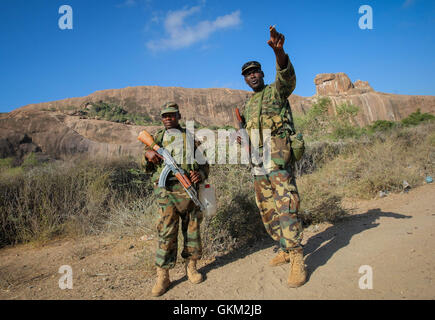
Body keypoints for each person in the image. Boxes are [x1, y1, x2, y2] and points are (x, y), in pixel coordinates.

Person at [237, 26, 306, 287]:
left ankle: (298, 256)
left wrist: (280, 53)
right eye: (247, 74)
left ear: (262, 74)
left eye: (255, 72)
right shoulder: (249, 102)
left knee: (286, 204)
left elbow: (287, 78)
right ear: (244, 80)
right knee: (267, 209)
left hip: (277, 157)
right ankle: (285, 248)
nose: (252, 76)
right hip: (258, 164)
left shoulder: (275, 91)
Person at [141, 102, 209, 296]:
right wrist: (148, 155)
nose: (168, 118)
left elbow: (205, 165)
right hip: (166, 194)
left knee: (193, 230)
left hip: (188, 192)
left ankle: (191, 268)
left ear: (179, 116)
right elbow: (143, 163)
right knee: (166, 233)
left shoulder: (190, 138)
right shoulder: (156, 138)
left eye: (172, 115)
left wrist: (200, 175)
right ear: (161, 118)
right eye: (165, 116)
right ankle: (163, 276)